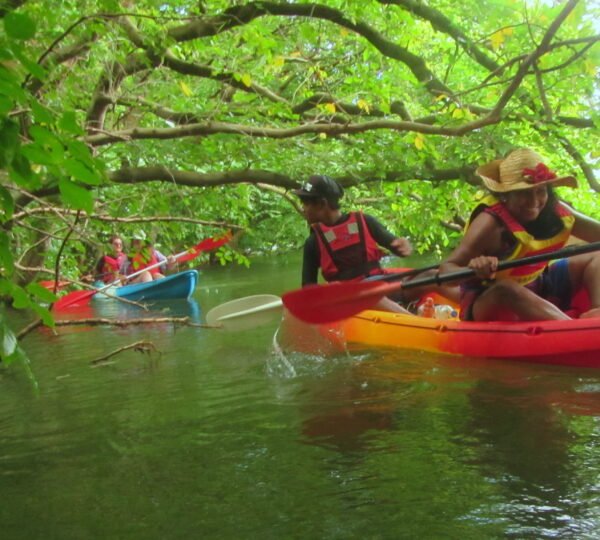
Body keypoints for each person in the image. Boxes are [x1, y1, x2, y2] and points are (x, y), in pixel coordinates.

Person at [439, 148, 600, 321]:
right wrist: (474, 270)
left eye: (540, 191)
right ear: (505, 195)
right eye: (524, 193)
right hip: (489, 300)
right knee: (506, 289)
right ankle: (576, 332)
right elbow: (446, 271)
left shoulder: (557, 212)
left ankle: (597, 312)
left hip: (540, 285)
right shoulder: (489, 224)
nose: (534, 201)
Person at [293, 174, 413, 314]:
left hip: (382, 284)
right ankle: (418, 323)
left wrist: (404, 246)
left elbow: (396, 246)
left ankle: (437, 323)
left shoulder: (365, 221)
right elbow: (308, 288)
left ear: (322, 203)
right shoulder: (313, 242)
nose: (303, 209)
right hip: (353, 299)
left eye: (306, 203)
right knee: (368, 294)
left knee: (433, 275)